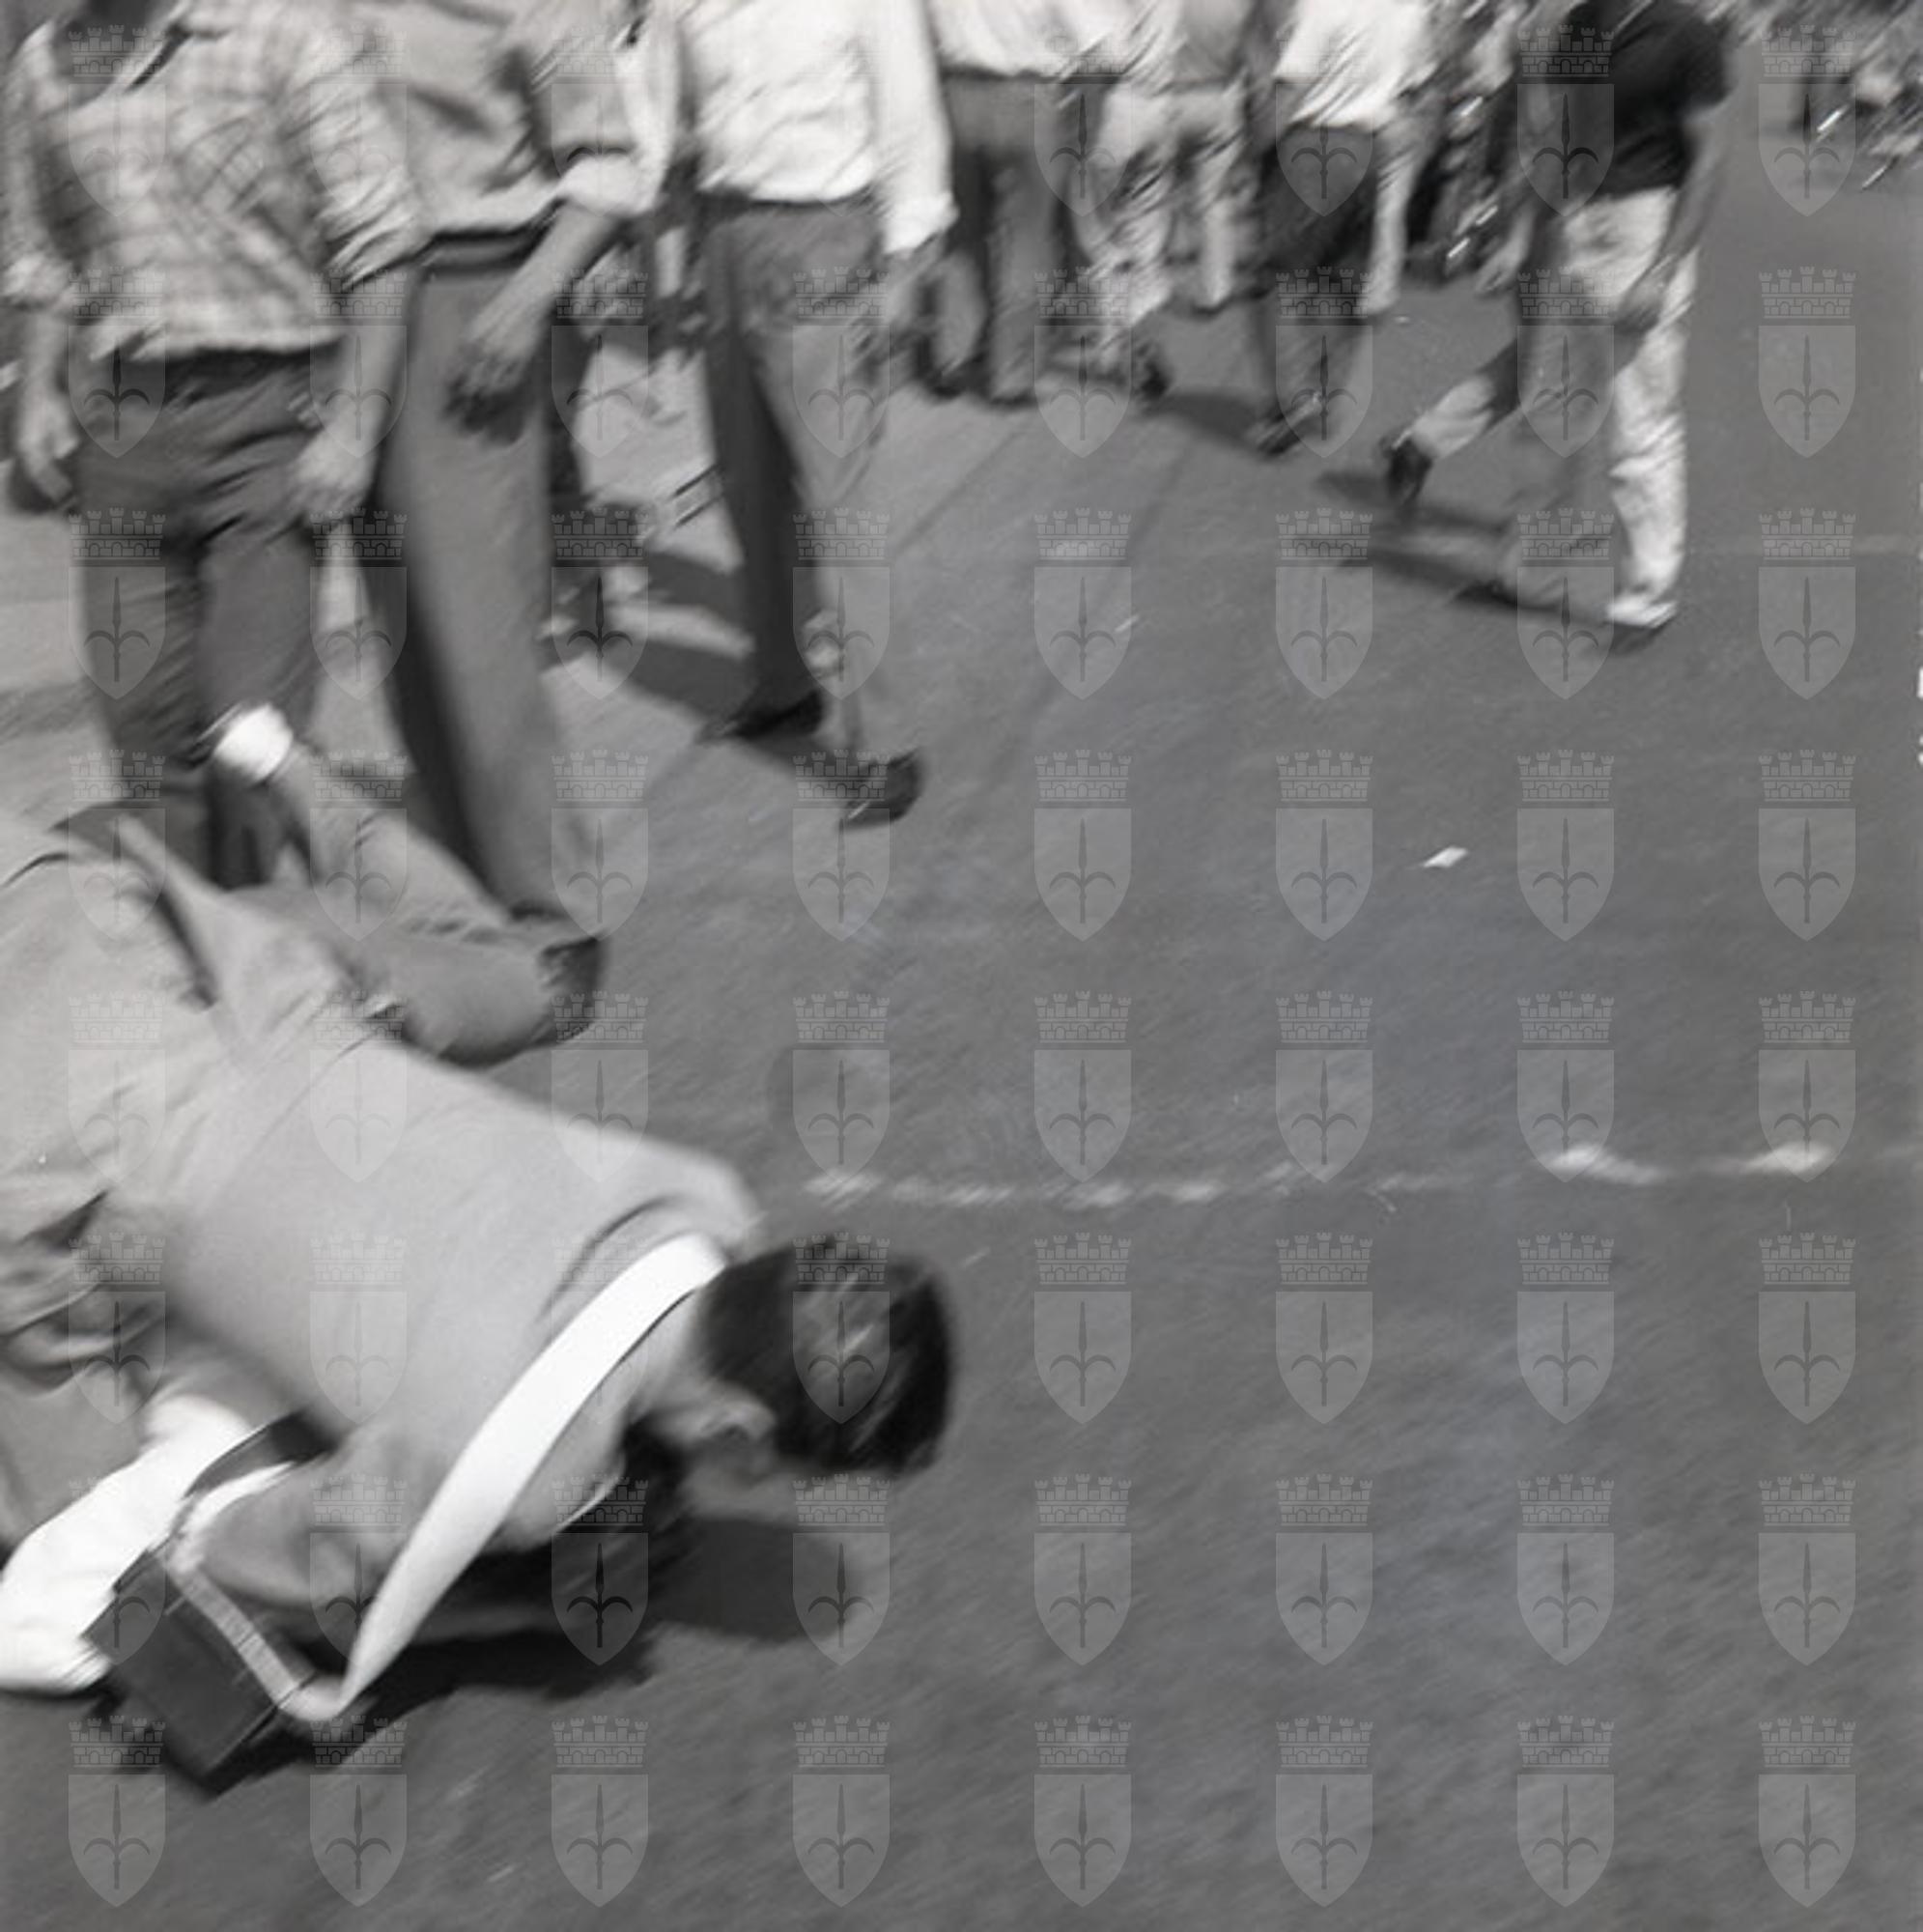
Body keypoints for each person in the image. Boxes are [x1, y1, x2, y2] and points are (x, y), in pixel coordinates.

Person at [0, 803, 954, 1770]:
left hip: (130, 935)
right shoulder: (525, 1482)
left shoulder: (703, 1198)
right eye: (767, 1470)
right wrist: (485, 1594)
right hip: (51, 1148)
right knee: (63, 1528)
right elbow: (221, 1555)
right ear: (740, 1435)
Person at [3, 0, 423, 886]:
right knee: (144, 728)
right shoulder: (44, 66)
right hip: (121, 436)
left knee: (251, 728)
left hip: (265, 421)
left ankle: (274, 931)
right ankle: (205, 938)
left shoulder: (286, 39)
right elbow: (42, 255)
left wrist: (352, 430)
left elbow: (382, 244)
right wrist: (37, 393)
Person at [333, 0, 649, 1002]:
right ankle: (460, 887)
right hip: (339, 306)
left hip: (467, 298)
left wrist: (525, 301)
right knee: (404, 634)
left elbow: (607, 170)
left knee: (480, 630)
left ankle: (551, 908)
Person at [619, 0, 954, 819]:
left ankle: (886, 744)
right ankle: (781, 684)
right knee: (746, 479)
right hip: (724, 240)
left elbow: (910, 122)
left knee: (839, 506)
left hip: (825, 240)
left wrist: (906, 268)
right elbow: (649, 117)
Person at [1377, 0, 1732, 641]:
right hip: (1574, 224)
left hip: (1642, 226)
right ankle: (1528, 576)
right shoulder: (1578, 27)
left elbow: (1708, 155)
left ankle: (1646, 595)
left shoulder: (1683, 33)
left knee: (1638, 422)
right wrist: (1518, 236)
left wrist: (1663, 268)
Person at [1247, 0, 1432, 455]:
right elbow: (1417, 90)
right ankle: (1328, 392)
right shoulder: (1408, 9)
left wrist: (1253, 152)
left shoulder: (1323, 7)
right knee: (1343, 280)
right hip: (1372, 147)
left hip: (1314, 148)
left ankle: (1295, 398)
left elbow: (1289, 91)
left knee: (1279, 278)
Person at [921, 0, 1106, 405]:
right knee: (1028, 239)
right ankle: (1011, 372)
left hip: (957, 95)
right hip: (1028, 97)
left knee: (962, 231)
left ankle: (952, 354)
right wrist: (1085, 128)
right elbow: (1095, 48)